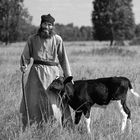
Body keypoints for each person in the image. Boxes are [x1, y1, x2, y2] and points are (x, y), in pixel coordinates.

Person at [20, 14, 73, 129]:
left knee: (53, 104)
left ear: (52, 26)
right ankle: (35, 127)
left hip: (53, 76)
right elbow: (25, 56)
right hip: (35, 75)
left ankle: (54, 128)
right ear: (41, 24)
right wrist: (24, 65)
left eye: (49, 25)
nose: (46, 27)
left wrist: (68, 77)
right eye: (45, 24)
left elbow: (63, 59)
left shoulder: (57, 39)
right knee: (34, 102)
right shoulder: (32, 39)